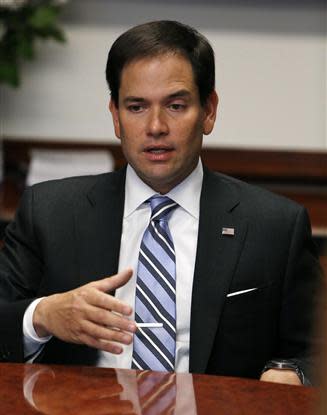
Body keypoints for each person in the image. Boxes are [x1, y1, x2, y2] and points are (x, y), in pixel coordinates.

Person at [0, 21, 323, 385]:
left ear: (209, 111)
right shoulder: (48, 212)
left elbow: (315, 353)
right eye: (136, 107)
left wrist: (294, 374)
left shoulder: (274, 226)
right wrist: (42, 316)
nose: (155, 126)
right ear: (115, 117)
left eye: (175, 105)